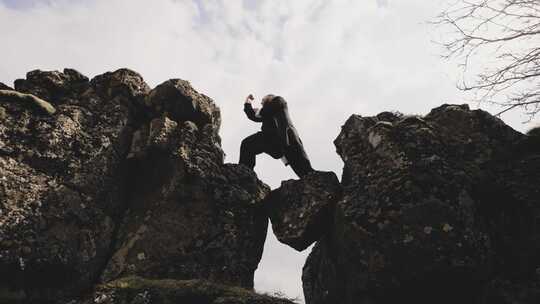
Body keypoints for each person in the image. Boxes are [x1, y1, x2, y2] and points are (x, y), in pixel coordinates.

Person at [239, 94, 314, 178]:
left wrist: (259, 111)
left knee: (301, 167)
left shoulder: (279, 100)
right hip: (271, 140)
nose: (261, 102)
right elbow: (253, 116)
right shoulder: (266, 113)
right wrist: (248, 102)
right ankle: (245, 173)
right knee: (248, 145)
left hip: (286, 139)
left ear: (270, 98)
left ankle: (312, 178)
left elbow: (264, 111)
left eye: (263, 99)